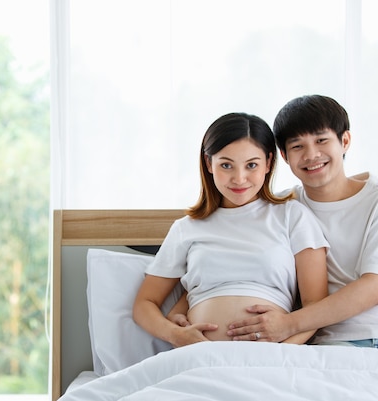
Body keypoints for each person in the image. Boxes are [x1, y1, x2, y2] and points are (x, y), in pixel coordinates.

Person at [225, 95, 378, 354]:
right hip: (332, 342)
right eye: (297, 146)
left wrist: (288, 324)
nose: (311, 155)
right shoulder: (281, 208)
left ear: (344, 141)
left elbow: (375, 287)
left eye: (321, 140)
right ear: (284, 155)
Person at [132, 112, 329, 348]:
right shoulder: (187, 228)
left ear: (268, 163)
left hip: (271, 359)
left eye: (251, 165)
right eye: (226, 165)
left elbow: (316, 306)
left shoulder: (291, 216)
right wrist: (175, 335)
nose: (239, 178)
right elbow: (145, 304)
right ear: (209, 164)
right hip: (199, 359)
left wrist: (284, 350)